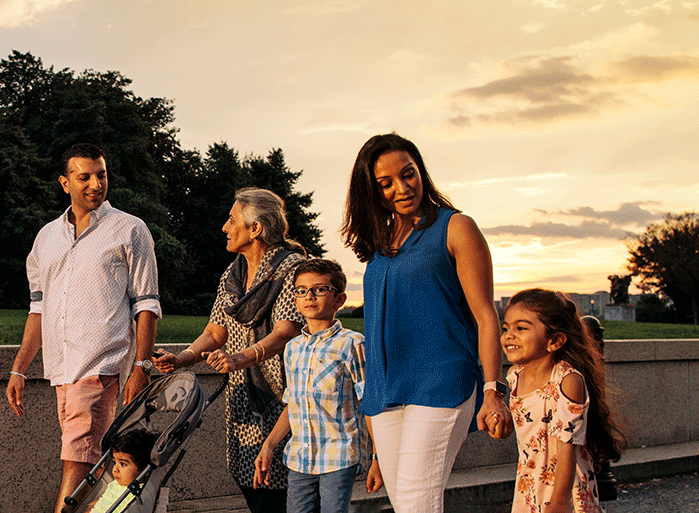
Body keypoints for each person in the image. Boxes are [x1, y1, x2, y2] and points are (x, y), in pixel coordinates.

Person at [340, 133, 510, 513]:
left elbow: (485, 315)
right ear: (372, 191)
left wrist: (493, 390)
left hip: (441, 382)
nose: (401, 188)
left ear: (421, 172)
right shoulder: (381, 243)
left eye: (408, 174)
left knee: (417, 503)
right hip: (386, 391)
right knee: (406, 506)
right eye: (386, 183)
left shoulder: (457, 228)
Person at [7, 143, 162, 513]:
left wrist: (141, 367)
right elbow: (38, 309)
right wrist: (19, 368)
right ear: (65, 183)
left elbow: (147, 304)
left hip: (101, 366)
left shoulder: (130, 230)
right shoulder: (46, 238)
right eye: (84, 177)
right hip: (61, 370)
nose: (95, 183)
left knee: (77, 458)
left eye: (102, 174)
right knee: (93, 460)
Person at [153, 187, 306, 511]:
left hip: (285, 399)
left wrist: (240, 358)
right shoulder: (234, 274)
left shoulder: (292, 269)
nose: (224, 226)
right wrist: (181, 360)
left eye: (231, 219)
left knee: (281, 490)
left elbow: (285, 332)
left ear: (255, 228)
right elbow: (214, 331)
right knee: (250, 480)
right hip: (243, 399)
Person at [252, 257, 375, 513]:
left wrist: (378, 458)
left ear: (339, 299)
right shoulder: (293, 347)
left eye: (320, 289)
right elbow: (294, 404)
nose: (310, 296)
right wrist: (269, 445)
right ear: (295, 299)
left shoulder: (352, 344)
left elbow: (368, 403)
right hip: (300, 458)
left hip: (339, 455)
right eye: (301, 291)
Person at [501, 289, 625, 513]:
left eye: (521, 328)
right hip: (529, 486)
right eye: (506, 328)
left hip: (564, 487)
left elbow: (567, 449)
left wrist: (559, 501)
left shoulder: (567, 381)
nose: (509, 335)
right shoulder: (515, 376)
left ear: (555, 340)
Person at [88, 429, 158, 513]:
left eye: (123, 464)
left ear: (144, 470)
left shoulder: (138, 497)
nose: (115, 469)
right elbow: (103, 500)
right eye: (114, 462)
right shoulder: (116, 483)